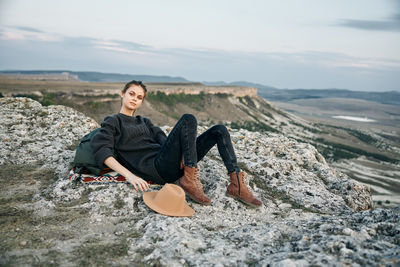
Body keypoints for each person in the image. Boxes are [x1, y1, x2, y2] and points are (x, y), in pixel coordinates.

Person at [90, 80, 262, 208]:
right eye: (131, 94)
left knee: (219, 130)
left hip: (174, 163)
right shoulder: (113, 121)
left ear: (142, 102)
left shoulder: (145, 121)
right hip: (156, 168)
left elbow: (164, 141)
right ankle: (188, 179)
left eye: (139, 97)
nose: (135, 99)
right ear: (123, 94)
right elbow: (103, 151)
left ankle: (236, 183)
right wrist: (131, 176)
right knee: (188, 118)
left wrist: (182, 155)